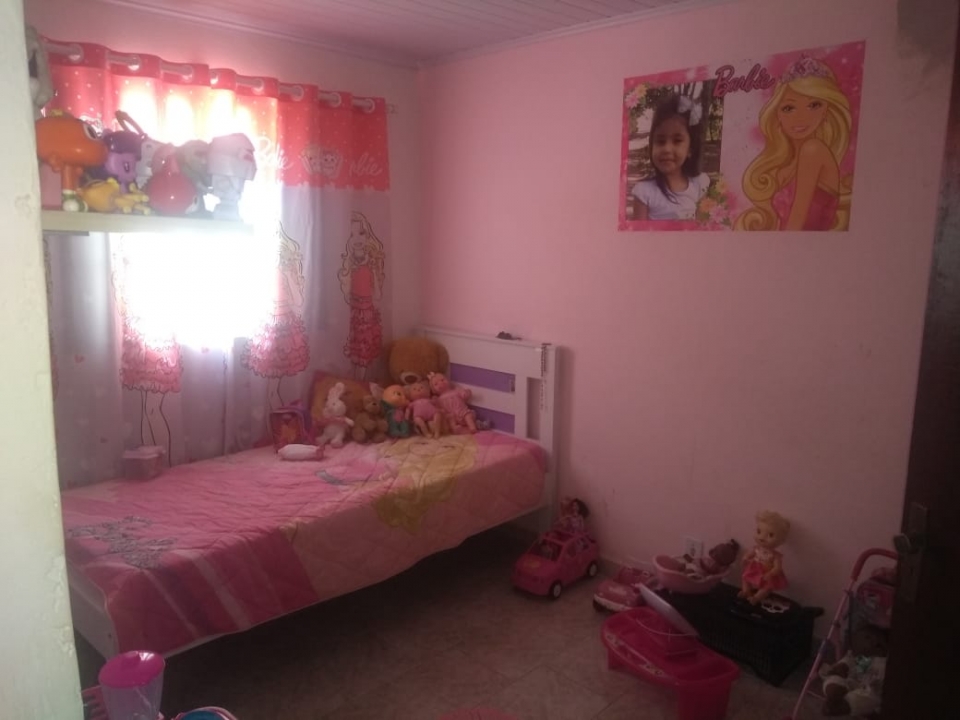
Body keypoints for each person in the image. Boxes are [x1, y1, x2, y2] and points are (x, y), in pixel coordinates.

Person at [735, 55, 853, 231]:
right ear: (778, 114)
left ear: (826, 110)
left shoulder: (813, 151)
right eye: (789, 108)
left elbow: (796, 223)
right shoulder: (786, 163)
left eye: (814, 105)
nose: (801, 117)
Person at [631, 93, 711, 221]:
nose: (667, 149)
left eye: (677, 141)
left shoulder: (699, 185)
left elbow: (703, 227)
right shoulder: (644, 193)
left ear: (690, 149)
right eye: (660, 141)